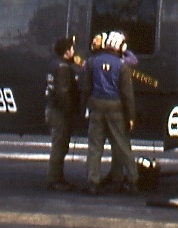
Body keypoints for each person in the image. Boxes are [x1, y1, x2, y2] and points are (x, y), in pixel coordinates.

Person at [81, 30, 138, 195]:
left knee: (95, 146)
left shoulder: (92, 62)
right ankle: (133, 180)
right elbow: (127, 94)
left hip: (96, 106)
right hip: (116, 108)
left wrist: (85, 106)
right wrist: (131, 116)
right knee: (122, 145)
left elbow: (86, 88)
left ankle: (93, 182)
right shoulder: (122, 65)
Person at [44, 36, 82, 191]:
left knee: (58, 145)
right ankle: (54, 179)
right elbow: (63, 92)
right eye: (72, 49)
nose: (74, 51)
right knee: (59, 146)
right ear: (67, 52)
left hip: (52, 108)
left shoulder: (54, 65)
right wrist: (70, 110)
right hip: (60, 112)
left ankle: (57, 178)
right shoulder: (64, 69)